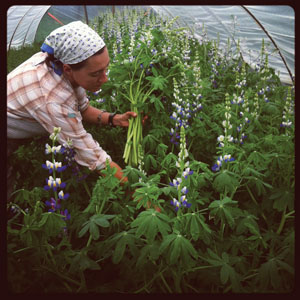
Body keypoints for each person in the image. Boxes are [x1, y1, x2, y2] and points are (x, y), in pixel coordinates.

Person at [7, 21, 136, 201]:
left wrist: (114, 119)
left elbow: (82, 109)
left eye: (105, 68)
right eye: (96, 73)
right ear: (68, 69)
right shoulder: (52, 97)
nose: (105, 79)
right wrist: (138, 194)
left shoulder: (64, 65)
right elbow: (90, 155)